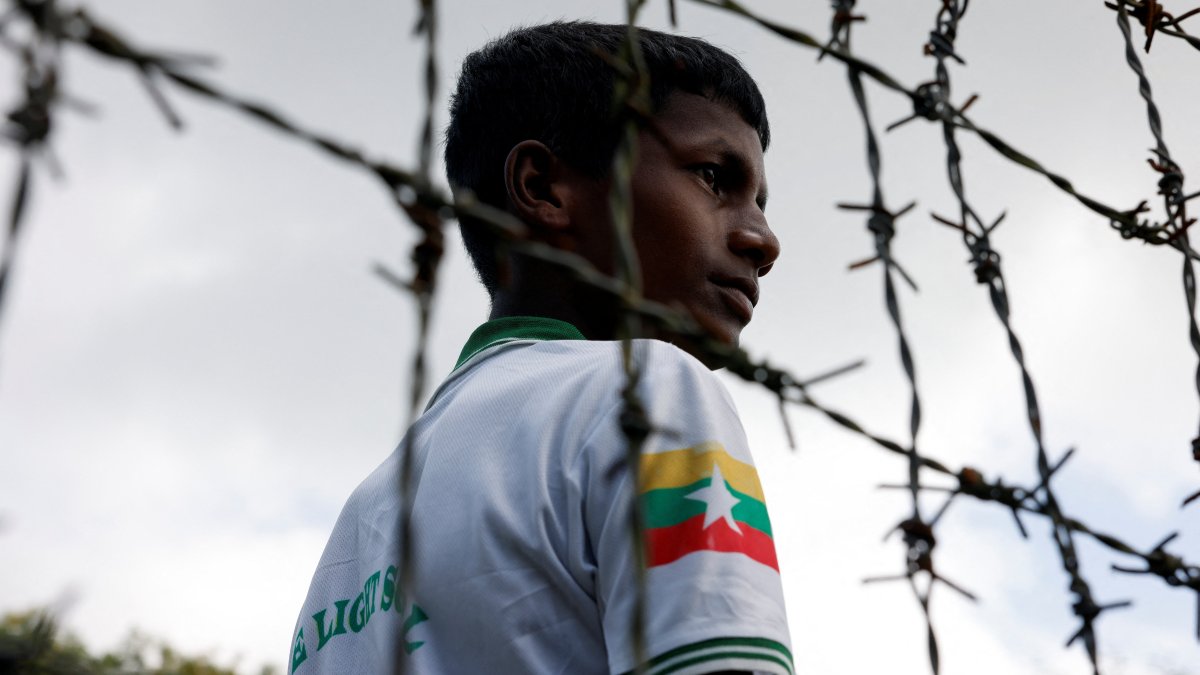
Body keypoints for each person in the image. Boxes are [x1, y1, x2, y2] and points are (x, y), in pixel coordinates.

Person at [289, 21, 790, 675]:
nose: (763, 238)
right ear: (544, 187)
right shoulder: (650, 390)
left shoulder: (366, 513)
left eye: (760, 199)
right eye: (714, 177)